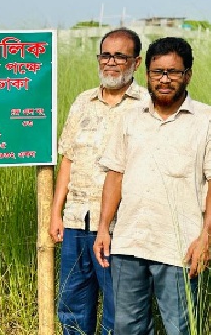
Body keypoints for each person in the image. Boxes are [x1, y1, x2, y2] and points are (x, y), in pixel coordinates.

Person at [93, 37, 211, 334]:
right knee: (126, 326)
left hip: (180, 247)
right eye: (157, 72)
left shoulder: (208, 120)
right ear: (146, 74)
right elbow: (115, 175)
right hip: (129, 242)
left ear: (187, 75)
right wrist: (103, 228)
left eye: (173, 73)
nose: (164, 80)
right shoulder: (130, 118)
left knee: (179, 327)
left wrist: (206, 237)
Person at [49, 28, 149, 335]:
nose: (111, 62)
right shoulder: (83, 101)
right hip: (77, 221)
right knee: (73, 304)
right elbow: (68, 159)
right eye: (106, 54)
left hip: (122, 227)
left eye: (121, 56)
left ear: (137, 62)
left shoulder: (146, 104)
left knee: (121, 311)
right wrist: (56, 212)